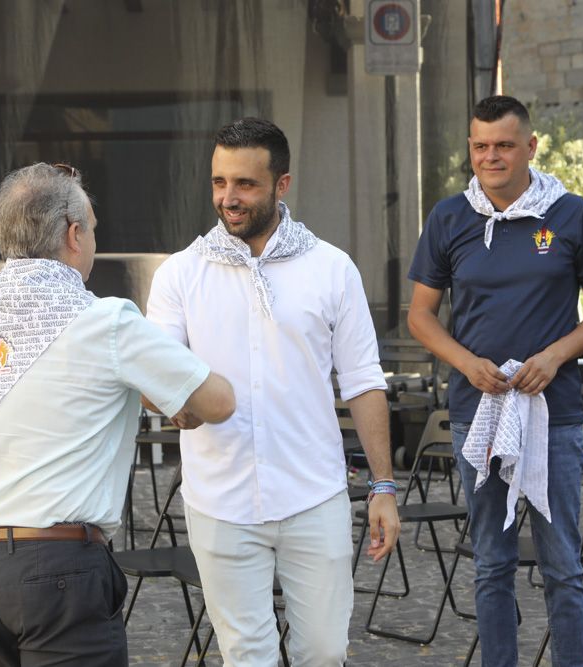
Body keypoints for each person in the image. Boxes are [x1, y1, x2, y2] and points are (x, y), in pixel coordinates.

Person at [0, 162, 235, 666]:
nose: (91, 239)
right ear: (73, 234)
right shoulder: (105, 321)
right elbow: (217, 402)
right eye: (91, 228)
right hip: (59, 563)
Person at [145, 117, 400, 665]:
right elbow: (156, 374)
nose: (228, 198)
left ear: (282, 185)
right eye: (219, 183)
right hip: (219, 499)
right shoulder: (179, 274)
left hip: (315, 494)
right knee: (246, 655)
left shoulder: (332, 269)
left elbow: (363, 381)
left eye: (245, 184)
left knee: (326, 653)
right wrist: (173, 406)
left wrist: (383, 485)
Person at [407, 95, 583, 667]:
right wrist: (465, 362)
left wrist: (553, 356)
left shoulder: (571, 213)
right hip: (477, 411)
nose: (491, 156)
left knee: (563, 567)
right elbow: (420, 315)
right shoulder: (449, 217)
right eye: (480, 146)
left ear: (530, 146)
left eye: (504, 145)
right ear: (470, 150)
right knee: (492, 563)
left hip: (555, 415)